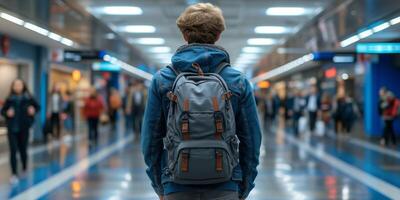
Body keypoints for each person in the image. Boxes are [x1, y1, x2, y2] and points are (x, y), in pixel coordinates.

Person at [141, 3, 261, 200]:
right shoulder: (237, 81)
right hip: (226, 182)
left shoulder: (162, 80)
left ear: (184, 35)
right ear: (218, 35)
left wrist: (160, 185)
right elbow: (252, 141)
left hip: (176, 183)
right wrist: (242, 187)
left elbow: (150, 142)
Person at [1, 79, 40, 184]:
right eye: (15, 85)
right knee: (13, 151)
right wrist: (7, 113)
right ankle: (14, 174)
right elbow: (3, 111)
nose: (17, 87)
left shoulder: (28, 98)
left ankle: (24, 168)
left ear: (23, 86)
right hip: (12, 128)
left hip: (24, 128)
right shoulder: (9, 99)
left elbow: (38, 107)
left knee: (23, 149)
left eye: (20, 85)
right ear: (13, 87)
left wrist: (33, 110)